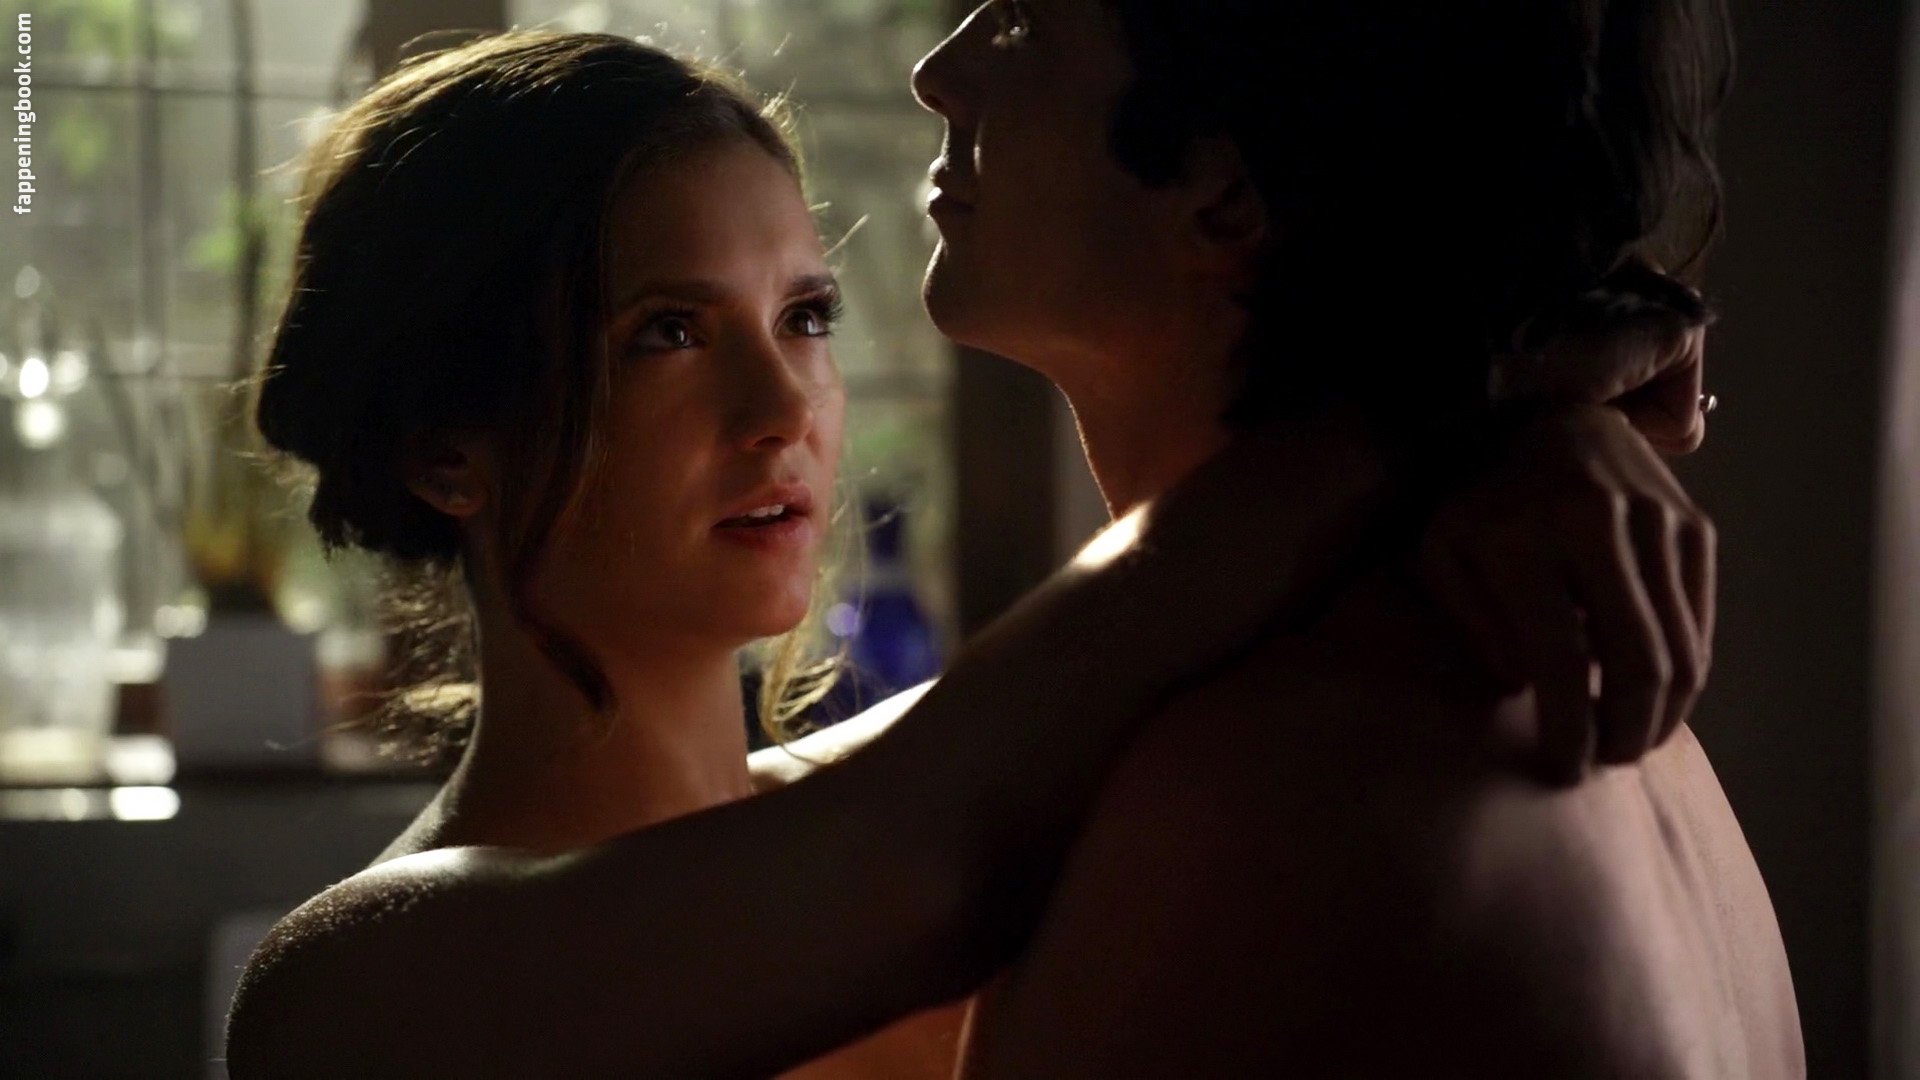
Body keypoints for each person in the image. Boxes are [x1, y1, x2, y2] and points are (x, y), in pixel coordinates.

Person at [224, 26, 1726, 1080]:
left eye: (807, 317)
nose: (782, 411)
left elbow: (991, 750)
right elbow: (924, 829)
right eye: (665, 333)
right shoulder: (355, 993)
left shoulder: (1016, 771)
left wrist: (1511, 429)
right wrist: (1473, 405)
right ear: (447, 449)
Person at [907, 2, 1803, 1076]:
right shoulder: (1616, 728)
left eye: (1021, 21)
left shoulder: (1241, 798)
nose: (937, 73)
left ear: (1228, 194)